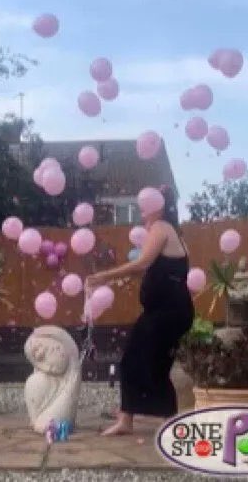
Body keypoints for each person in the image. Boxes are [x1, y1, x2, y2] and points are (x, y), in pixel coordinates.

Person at [85, 185, 194, 436]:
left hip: (167, 312)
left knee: (142, 360)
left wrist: (103, 276)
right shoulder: (171, 230)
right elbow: (158, 270)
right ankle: (140, 417)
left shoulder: (160, 228)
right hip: (169, 310)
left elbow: (143, 263)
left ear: (155, 207)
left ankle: (155, 419)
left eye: (143, 209)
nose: (141, 214)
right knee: (146, 360)